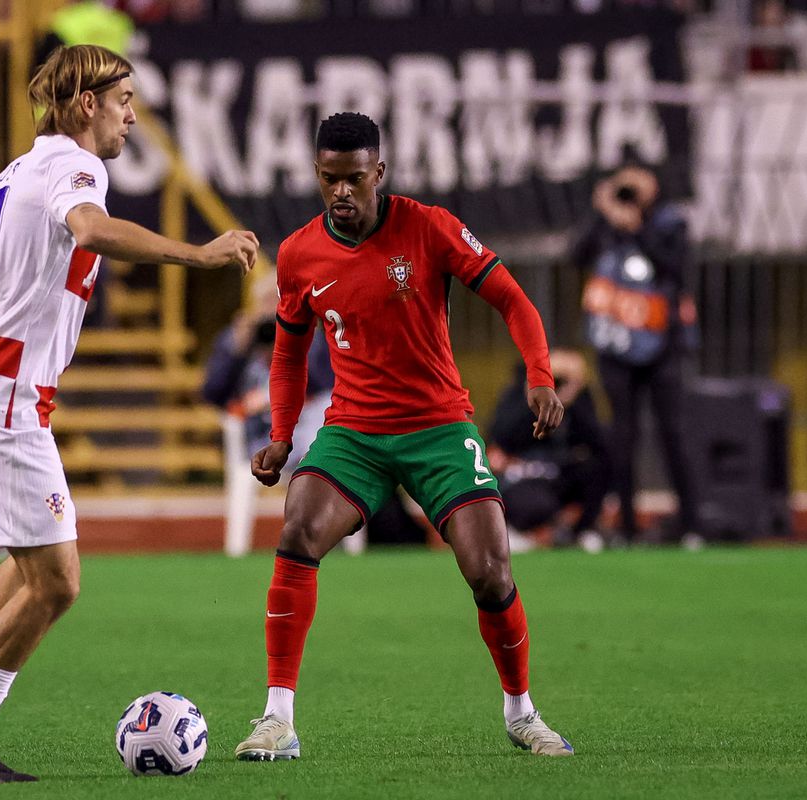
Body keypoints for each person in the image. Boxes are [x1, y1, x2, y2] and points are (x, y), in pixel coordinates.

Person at [0, 43, 258, 784]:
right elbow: (93, 228)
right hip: (5, 401)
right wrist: (201, 256)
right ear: (86, 105)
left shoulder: (12, 176)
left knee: (25, 568)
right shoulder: (78, 170)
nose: (132, 117)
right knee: (57, 583)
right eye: (124, 102)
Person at [234, 112, 573, 762]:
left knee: (491, 572)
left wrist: (539, 375)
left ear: (378, 173)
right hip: (355, 430)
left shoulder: (429, 226)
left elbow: (513, 300)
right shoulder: (301, 254)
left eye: (354, 179)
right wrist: (281, 436)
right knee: (299, 528)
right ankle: (278, 717)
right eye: (330, 179)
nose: (342, 192)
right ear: (317, 175)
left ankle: (522, 713)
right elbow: (287, 353)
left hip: (439, 426)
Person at [572, 164, 700, 547]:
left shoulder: (669, 222)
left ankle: (690, 524)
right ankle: (626, 525)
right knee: (622, 436)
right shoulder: (606, 224)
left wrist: (637, 227)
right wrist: (603, 213)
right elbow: (576, 256)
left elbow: (676, 269)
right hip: (616, 345)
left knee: (672, 432)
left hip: (662, 345)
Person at [202, 271, 334, 476]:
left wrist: (296, 346)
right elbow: (212, 393)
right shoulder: (238, 339)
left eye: (281, 301)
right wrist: (235, 352)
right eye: (267, 302)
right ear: (255, 307)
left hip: (303, 427)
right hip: (257, 431)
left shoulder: (311, 338)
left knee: (323, 417)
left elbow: (327, 385)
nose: (275, 311)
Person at [488, 348, 610, 553]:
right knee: (535, 504)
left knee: (596, 468)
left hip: (559, 470)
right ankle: (517, 530)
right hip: (524, 474)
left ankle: (581, 531)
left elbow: (597, 441)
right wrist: (533, 400)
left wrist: (568, 397)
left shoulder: (578, 396)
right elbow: (502, 436)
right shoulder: (515, 394)